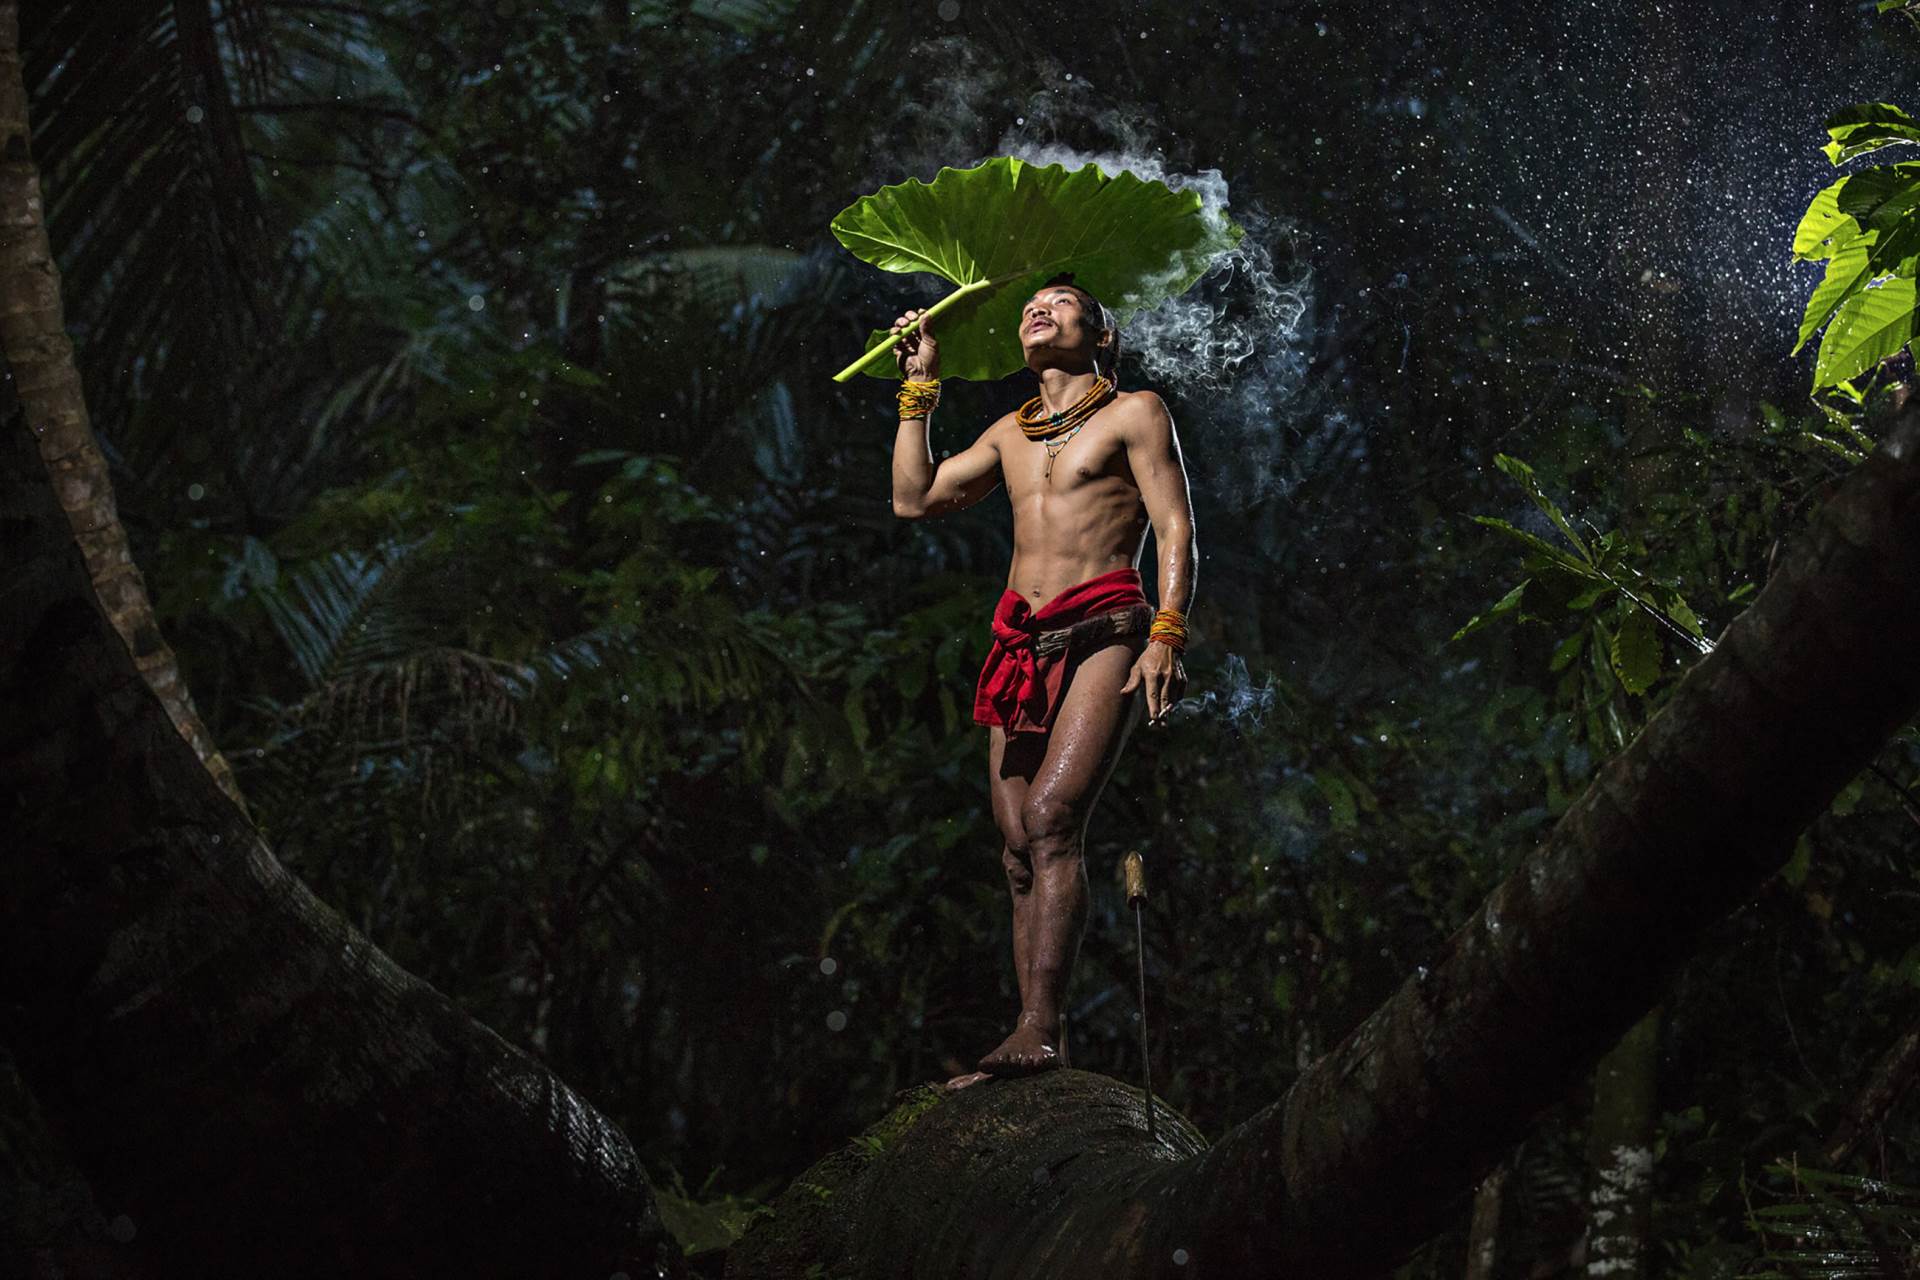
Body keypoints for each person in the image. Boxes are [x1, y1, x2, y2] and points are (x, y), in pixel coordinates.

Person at [886, 274, 1197, 1086]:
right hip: (1020, 642)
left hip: (1108, 627)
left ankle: (1039, 1027)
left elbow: (1173, 527)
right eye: (1034, 303)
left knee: (1055, 818)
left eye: (1062, 303)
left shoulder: (1137, 412)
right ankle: (1023, 1037)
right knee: (1018, 847)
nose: (1038, 308)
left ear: (1102, 337)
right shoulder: (1007, 433)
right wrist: (920, 388)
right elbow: (913, 498)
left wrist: (1168, 633)